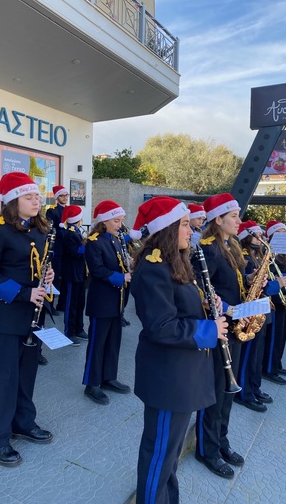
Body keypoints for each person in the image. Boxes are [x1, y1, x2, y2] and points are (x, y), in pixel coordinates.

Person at [130, 196, 228, 504]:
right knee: (159, 455)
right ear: (168, 229)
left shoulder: (176, 262)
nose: (192, 230)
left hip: (182, 375)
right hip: (168, 378)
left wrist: (209, 306)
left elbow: (182, 308)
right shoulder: (153, 268)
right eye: (185, 224)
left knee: (170, 454)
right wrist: (210, 330)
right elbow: (161, 326)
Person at [0, 172, 55, 467]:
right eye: (29, 197)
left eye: (37, 196)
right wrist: (23, 293)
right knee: (4, 378)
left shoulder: (39, 228)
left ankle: (23, 422)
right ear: (13, 201)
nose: (36, 201)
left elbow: (38, 265)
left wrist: (50, 275)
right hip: (7, 316)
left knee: (26, 374)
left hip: (33, 315)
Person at [191, 192, 249, 479]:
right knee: (214, 390)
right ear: (218, 219)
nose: (239, 221)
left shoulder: (231, 245)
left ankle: (221, 440)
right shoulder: (207, 249)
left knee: (228, 390)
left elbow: (234, 282)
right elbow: (200, 291)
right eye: (234, 216)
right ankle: (207, 448)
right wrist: (228, 308)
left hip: (235, 327)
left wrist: (254, 284)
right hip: (218, 329)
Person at [234, 221, 286, 412]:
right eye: (256, 236)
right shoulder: (245, 259)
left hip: (262, 309)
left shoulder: (258, 255)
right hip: (251, 310)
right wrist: (276, 284)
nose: (260, 238)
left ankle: (254, 387)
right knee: (249, 355)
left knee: (257, 355)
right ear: (246, 237)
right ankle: (244, 392)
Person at [82, 200, 131, 405]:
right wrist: (122, 277)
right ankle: (92, 383)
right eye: (116, 221)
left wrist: (129, 265)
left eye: (121, 220)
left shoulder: (115, 240)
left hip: (116, 301)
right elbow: (97, 270)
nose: (120, 225)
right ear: (104, 221)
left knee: (113, 341)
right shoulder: (94, 241)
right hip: (101, 301)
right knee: (97, 343)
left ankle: (108, 377)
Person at [262, 220, 286, 385]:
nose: (284, 236)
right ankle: (269, 368)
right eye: (279, 233)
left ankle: (277, 363)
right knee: (274, 336)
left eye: (285, 233)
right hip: (275, 300)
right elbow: (271, 277)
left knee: (282, 335)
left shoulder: (284, 254)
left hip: (285, 299)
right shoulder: (269, 254)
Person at [61, 204, 88, 345]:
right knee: (71, 304)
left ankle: (79, 328)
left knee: (80, 303)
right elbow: (76, 252)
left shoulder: (76, 231)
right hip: (72, 273)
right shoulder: (70, 233)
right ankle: (69, 332)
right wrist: (88, 244)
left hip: (80, 272)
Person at [46, 185, 69, 313]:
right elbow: (52, 229)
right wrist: (67, 233)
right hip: (58, 248)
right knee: (54, 277)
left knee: (66, 277)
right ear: (57, 197)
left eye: (66, 195)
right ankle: (50, 304)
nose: (65, 198)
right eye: (62, 195)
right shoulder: (52, 211)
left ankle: (62, 304)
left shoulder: (70, 210)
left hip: (68, 249)